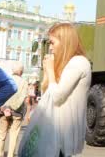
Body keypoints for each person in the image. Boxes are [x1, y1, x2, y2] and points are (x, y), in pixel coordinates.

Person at [21, 22, 92, 157]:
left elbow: (57, 97)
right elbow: (47, 94)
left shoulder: (78, 62)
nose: (51, 48)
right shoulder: (69, 63)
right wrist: (48, 75)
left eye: (53, 43)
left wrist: (50, 71)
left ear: (65, 42)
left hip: (61, 135)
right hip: (54, 132)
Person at [0, 62, 28, 157]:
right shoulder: (24, 82)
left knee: (1, 135)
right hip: (17, 113)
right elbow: (22, 97)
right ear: (21, 72)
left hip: (2, 111)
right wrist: (12, 108)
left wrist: (4, 108)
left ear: (12, 71)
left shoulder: (5, 80)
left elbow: (0, 95)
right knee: (13, 135)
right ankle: (10, 155)